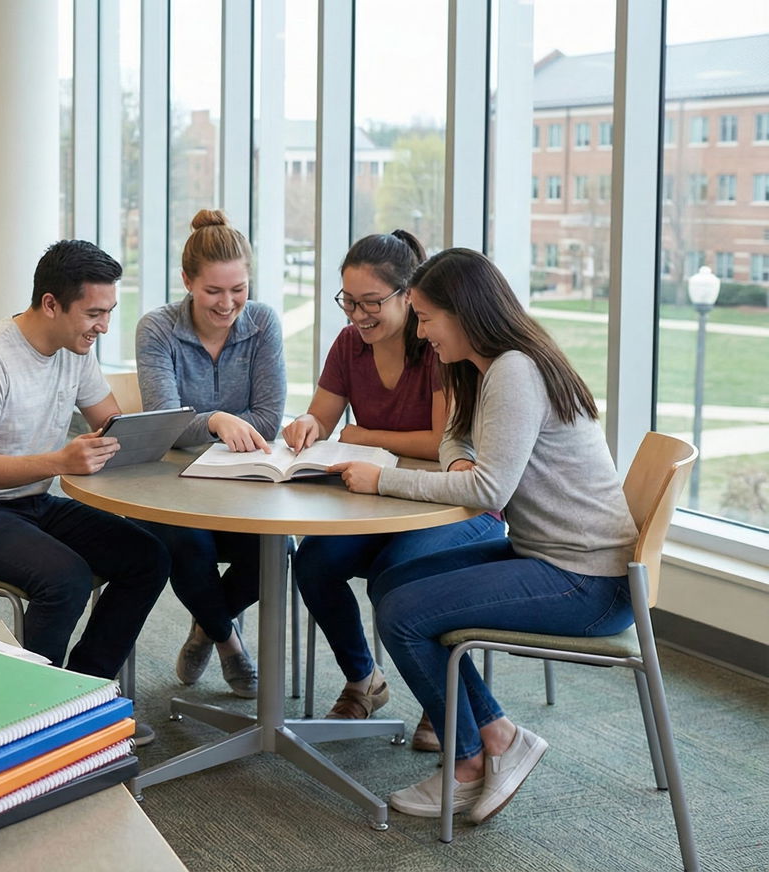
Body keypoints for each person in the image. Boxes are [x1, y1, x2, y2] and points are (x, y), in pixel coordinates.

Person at [330, 248, 638, 822]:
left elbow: (489, 490)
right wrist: (455, 463)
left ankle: (469, 760)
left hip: (589, 581)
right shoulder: (486, 367)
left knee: (404, 614)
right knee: (391, 584)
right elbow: (454, 436)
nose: (420, 332)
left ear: (464, 313)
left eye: (427, 318)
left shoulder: (516, 371)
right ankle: (496, 735)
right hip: (552, 557)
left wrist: (382, 480)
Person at [0, 240, 171, 692]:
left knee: (148, 557)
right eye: (94, 313)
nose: (104, 326)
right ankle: (31, 704)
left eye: (109, 312)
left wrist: (152, 434)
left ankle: (83, 689)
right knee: (65, 579)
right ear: (51, 304)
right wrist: (60, 461)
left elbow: (110, 424)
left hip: (31, 502)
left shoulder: (76, 350)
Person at [283, 231, 503, 737]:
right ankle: (364, 680)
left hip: (449, 507)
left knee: (402, 575)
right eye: (348, 301)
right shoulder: (348, 345)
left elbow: (440, 442)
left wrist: (361, 434)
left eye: (370, 302)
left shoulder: (438, 346)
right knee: (313, 562)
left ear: (408, 295)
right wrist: (308, 425)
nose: (357, 315)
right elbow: (323, 418)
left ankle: (440, 698)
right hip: (380, 501)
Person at [135, 209, 284, 697]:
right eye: (213, 291)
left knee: (275, 551)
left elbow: (268, 419)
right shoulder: (157, 329)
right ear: (187, 282)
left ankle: (205, 625)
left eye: (238, 289)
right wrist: (218, 420)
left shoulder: (262, 323)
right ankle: (228, 640)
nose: (227, 303)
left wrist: (199, 423)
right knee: (186, 546)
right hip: (172, 488)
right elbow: (164, 423)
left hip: (245, 486)